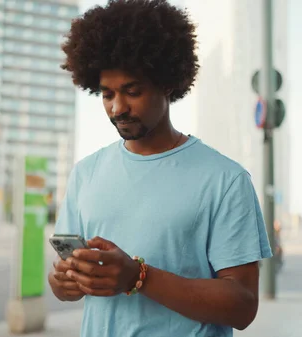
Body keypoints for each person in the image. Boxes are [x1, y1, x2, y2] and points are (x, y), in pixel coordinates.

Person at [48, 0, 273, 336]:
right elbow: (65, 280)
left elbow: (242, 306)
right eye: (107, 94)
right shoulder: (86, 173)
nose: (117, 107)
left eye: (132, 91)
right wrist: (64, 283)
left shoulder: (225, 180)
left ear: (167, 83)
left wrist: (138, 277)